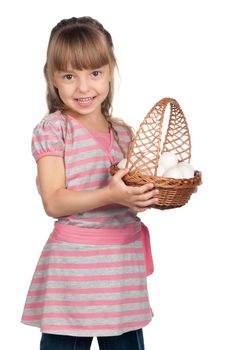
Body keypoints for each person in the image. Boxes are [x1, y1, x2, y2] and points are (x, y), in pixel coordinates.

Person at [21, 16, 159, 350]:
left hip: (122, 265)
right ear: (52, 78)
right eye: (69, 76)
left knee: (126, 343)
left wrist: (154, 194)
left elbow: (131, 195)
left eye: (94, 73)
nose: (83, 88)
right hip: (76, 268)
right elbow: (54, 201)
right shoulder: (55, 130)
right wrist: (111, 193)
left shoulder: (124, 134)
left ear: (111, 70)